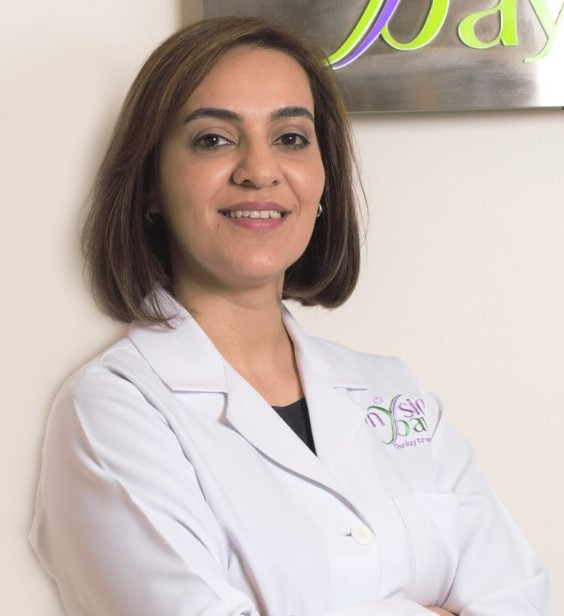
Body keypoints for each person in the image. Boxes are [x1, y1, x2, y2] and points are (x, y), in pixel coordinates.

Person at [30, 16, 551, 616]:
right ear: (150, 184)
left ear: (322, 180)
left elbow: (522, 599)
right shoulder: (113, 411)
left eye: (291, 138)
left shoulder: (392, 391)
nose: (259, 170)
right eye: (213, 139)